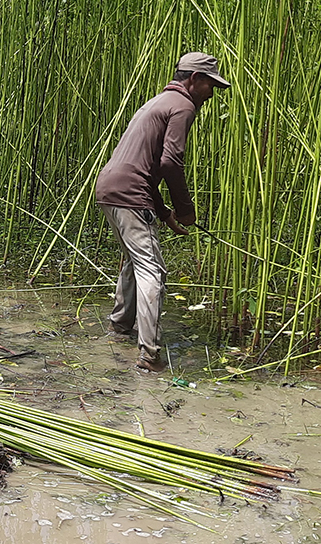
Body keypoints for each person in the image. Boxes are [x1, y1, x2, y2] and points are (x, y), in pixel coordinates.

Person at [95, 52, 230, 372]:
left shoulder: (157, 102)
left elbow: (144, 166)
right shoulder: (183, 106)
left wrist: (165, 213)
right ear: (195, 79)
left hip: (110, 188)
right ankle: (150, 355)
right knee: (152, 271)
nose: (212, 93)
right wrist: (186, 209)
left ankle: (119, 328)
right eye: (211, 85)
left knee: (133, 260)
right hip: (130, 193)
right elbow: (170, 163)